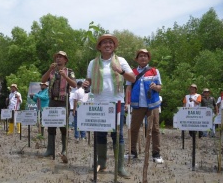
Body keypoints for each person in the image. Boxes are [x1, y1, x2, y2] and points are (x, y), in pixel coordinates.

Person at [82, 34, 135, 177]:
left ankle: (120, 167)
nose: (108, 45)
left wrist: (121, 71)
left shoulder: (121, 61)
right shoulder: (93, 63)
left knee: (117, 135)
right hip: (99, 103)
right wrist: (86, 84)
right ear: (99, 47)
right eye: (104, 42)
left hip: (116, 102)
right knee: (100, 134)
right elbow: (89, 82)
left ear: (114, 46)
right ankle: (102, 163)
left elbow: (133, 78)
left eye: (110, 43)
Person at [125, 49, 164, 164]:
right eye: (140, 56)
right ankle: (132, 152)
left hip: (152, 105)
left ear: (148, 58)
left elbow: (160, 86)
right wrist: (127, 103)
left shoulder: (154, 71)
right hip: (137, 105)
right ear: (137, 59)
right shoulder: (132, 73)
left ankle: (156, 154)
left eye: (145, 56)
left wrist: (156, 87)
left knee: (155, 129)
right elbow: (128, 88)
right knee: (134, 129)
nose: (143, 58)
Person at [41, 50, 77, 157]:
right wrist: (49, 69)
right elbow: (43, 80)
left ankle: (64, 150)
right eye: (57, 57)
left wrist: (65, 77)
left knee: (63, 126)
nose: (58, 58)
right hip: (52, 101)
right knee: (51, 125)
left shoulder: (70, 72)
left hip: (64, 102)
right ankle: (50, 150)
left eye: (61, 57)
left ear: (65, 60)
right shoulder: (52, 71)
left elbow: (74, 85)